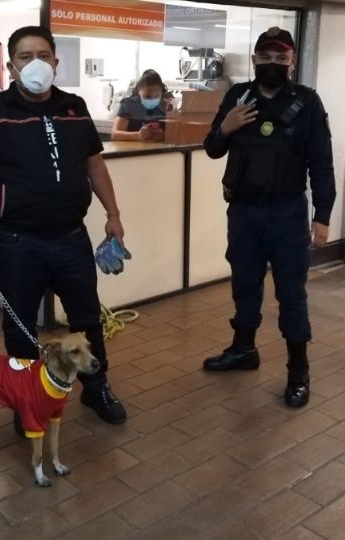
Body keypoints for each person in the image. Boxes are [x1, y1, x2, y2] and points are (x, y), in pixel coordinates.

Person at [0, 26, 128, 425]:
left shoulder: (75, 106)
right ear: (10, 65)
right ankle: (25, 399)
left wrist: (114, 215)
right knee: (20, 327)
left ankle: (96, 387)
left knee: (86, 319)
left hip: (71, 238)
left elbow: (94, 164)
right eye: (24, 56)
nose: (35, 63)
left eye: (43, 55)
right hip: (19, 242)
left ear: (55, 60)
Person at [202, 27, 335, 408]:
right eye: (266, 57)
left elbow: (321, 165)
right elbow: (213, 148)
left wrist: (322, 216)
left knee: (291, 293)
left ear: (292, 62)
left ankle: (298, 370)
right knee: (244, 283)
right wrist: (226, 127)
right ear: (255, 58)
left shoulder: (307, 102)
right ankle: (244, 350)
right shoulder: (237, 96)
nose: (272, 64)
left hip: (287, 212)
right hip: (243, 211)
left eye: (281, 58)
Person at [111, 69, 170, 142]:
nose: (152, 99)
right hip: (132, 150)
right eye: (147, 96)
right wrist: (138, 135)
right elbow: (115, 135)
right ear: (139, 91)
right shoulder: (129, 105)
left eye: (157, 96)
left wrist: (164, 136)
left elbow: (177, 133)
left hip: (160, 150)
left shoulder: (167, 106)